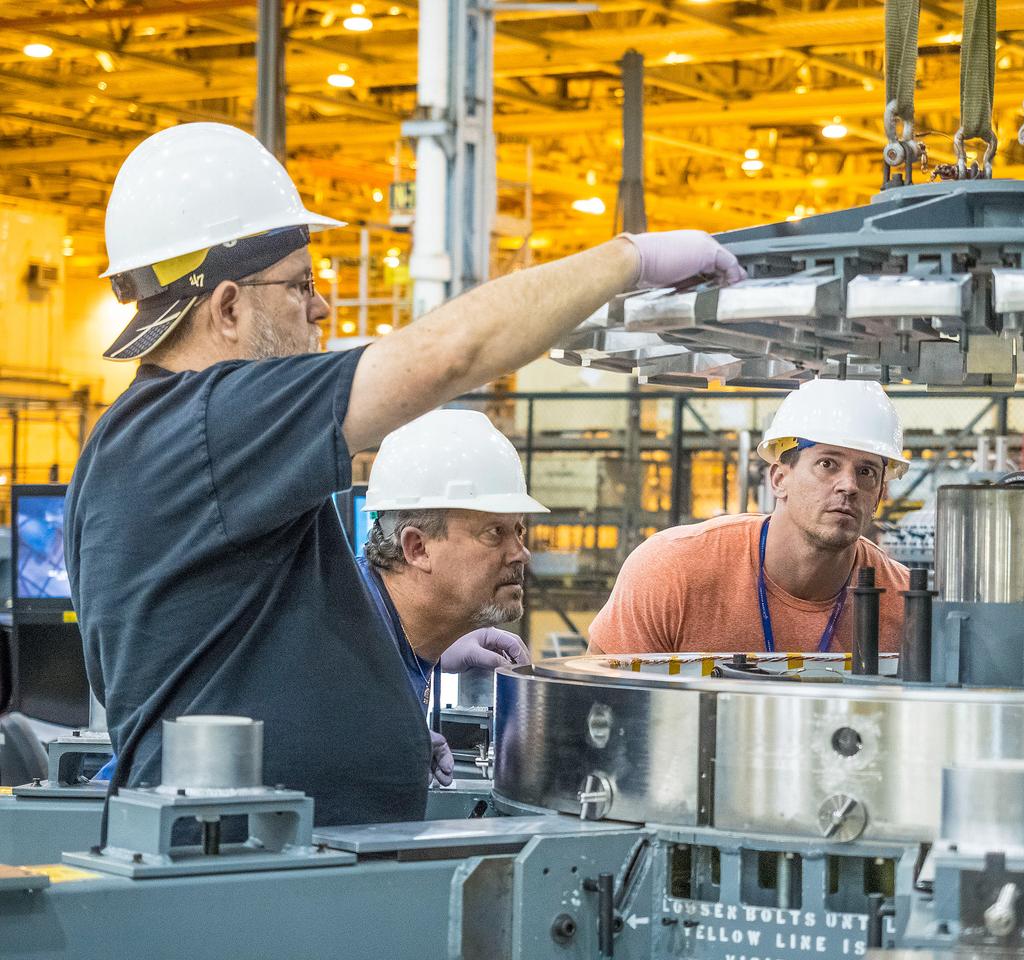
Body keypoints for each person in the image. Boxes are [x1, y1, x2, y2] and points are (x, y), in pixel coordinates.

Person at [64, 122, 744, 827]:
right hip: (251, 883)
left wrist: (397, 669)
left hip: (280, 863)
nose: (321, 307)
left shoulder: (160, 441)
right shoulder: (205, 426)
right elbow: (446, 356)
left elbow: (231, 639)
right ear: (228, 307)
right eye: (300, 285)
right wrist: (628, 259)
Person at [589, 379, 911, 656]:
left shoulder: (906, 605)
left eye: (866, 471)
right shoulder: (673, 571)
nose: (849, 485)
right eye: (827, 464)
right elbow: (598, 709)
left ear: (881, 493)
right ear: (779, 479)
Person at [355, 408, 551, 785]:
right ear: (418, 548)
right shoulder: (339, 632)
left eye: (519, 530)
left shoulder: (388, 631)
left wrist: (436, 647)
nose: (520, 553)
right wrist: (365, 733)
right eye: (494, 532)